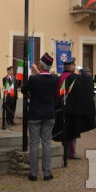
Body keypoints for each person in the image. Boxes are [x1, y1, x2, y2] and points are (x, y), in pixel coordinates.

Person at [21, 53, 59, 181]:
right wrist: (37, 72)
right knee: (47, 143)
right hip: (49, 114)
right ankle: (47, 173)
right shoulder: (54, 78)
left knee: (34, 144)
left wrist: (33, 73)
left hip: (35, 115)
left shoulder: (34, 79)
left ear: (41, 66)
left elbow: (23, 90)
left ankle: (33, 174)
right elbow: (47, 79)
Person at [53, 57, 96, 160]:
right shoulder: (73, 77)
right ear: (72, 67)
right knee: (72, 133)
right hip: (71, 109)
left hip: (60, 108)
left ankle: (65, 151)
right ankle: (71, 153)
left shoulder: (60, 77)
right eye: (74, 65)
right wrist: (82, 70)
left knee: (64, 131)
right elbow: (88, 79)